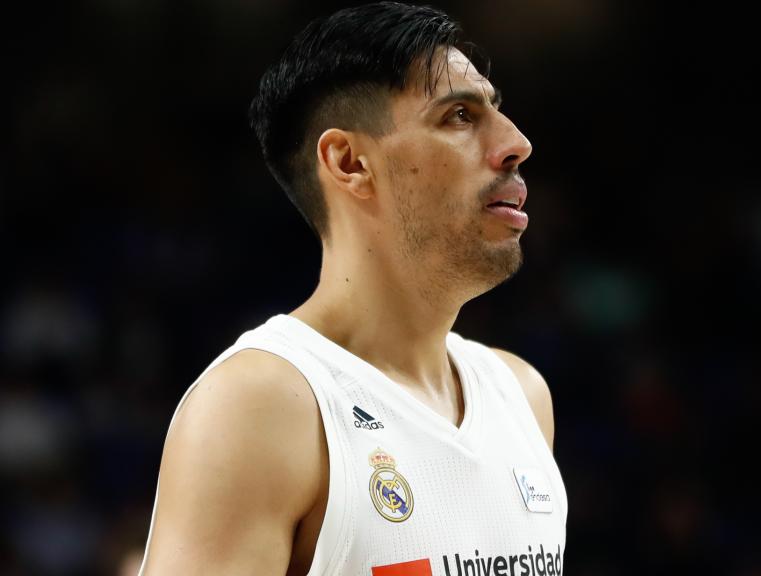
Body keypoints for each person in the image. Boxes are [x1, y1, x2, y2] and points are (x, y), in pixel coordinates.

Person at [138, 2, 566, 575]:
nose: (516, 143)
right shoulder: (262, 406)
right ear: (349, 162)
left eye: (496, 110)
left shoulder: (523, 395)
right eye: (459, 116)